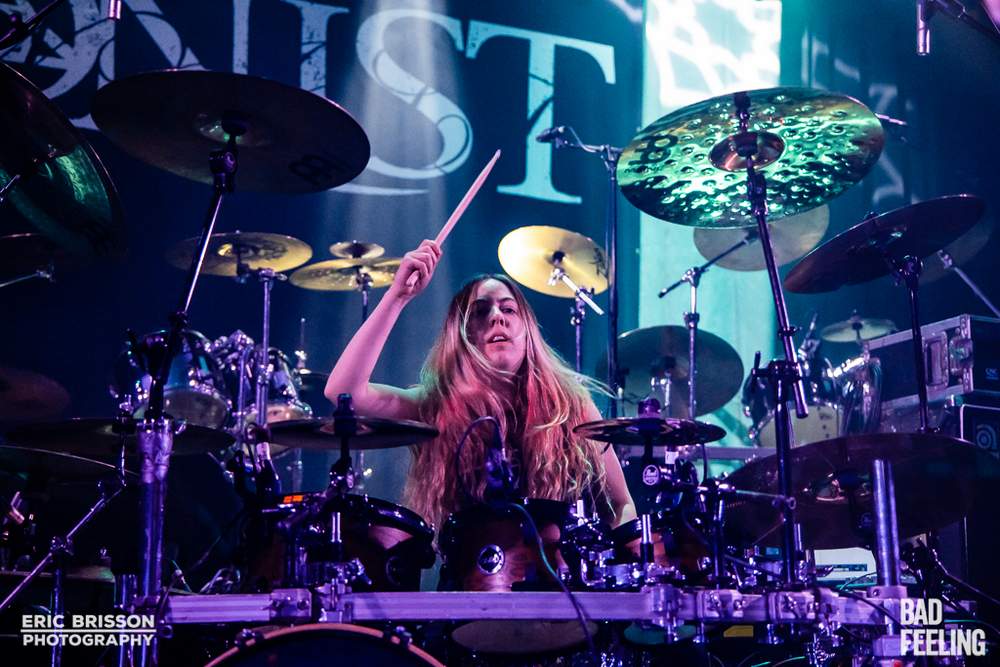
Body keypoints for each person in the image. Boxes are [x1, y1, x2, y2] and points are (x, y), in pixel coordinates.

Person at [325, 239, 636, 530]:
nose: (497, 317)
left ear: (528, 331)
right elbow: (343, 393)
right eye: (481, 311)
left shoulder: (569, 405)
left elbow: (621, 504)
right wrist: (397, 297)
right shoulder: (436, 404)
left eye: (508, 309)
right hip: (469, 569)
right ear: (463, 335)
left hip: (554, 568)